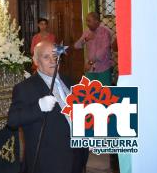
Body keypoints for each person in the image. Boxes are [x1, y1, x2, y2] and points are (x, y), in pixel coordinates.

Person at [8, 41, 88, 173]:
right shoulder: (25, 88)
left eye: (55, 57)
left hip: (77, 157)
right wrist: (38, 107)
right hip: (49, 162)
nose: (52, 61)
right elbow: (13, 121)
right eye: (46, 57)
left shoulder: (71, 82)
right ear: (36, 60)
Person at [74, 11, 114, 85]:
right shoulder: (87, 32)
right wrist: (85, 39)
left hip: (103, 69)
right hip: (90, 70)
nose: (87, 23)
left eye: (89, 21)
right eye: (86, 21)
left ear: (96, 21)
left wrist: (90, 62)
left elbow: (102, 53)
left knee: (104, 93)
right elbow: (76, 46)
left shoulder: (105, 33)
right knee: (90, 92)